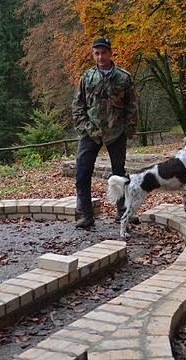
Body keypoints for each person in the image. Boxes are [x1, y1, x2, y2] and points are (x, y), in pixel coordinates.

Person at [72, 37, 138, 228]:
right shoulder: (87, 78)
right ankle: (86, 214)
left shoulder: (123, 77)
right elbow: (78, 106)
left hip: (116, 132)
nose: (100, 57)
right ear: (93, 54)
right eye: (97, 53)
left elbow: (132, 106)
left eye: (103, 53)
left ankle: (123, 212)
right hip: (90, 131)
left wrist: (128, 129)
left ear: (110, 53)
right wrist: (85, 126)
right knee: (82, 173)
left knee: (119, 174)